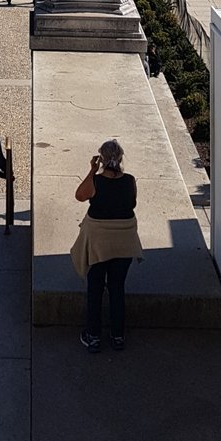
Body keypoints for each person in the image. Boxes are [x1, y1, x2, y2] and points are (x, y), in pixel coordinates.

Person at [71, 139, 142, 353]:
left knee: (95, 288)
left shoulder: (97, 182)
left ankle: (93, 336)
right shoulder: (130, 180)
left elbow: (79, 196)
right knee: (117, 288)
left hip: (99, 245)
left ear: (101, 159)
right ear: (121, 158)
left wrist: (92, 171)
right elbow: (132, 203)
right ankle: (117, 336)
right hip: (124, 242)